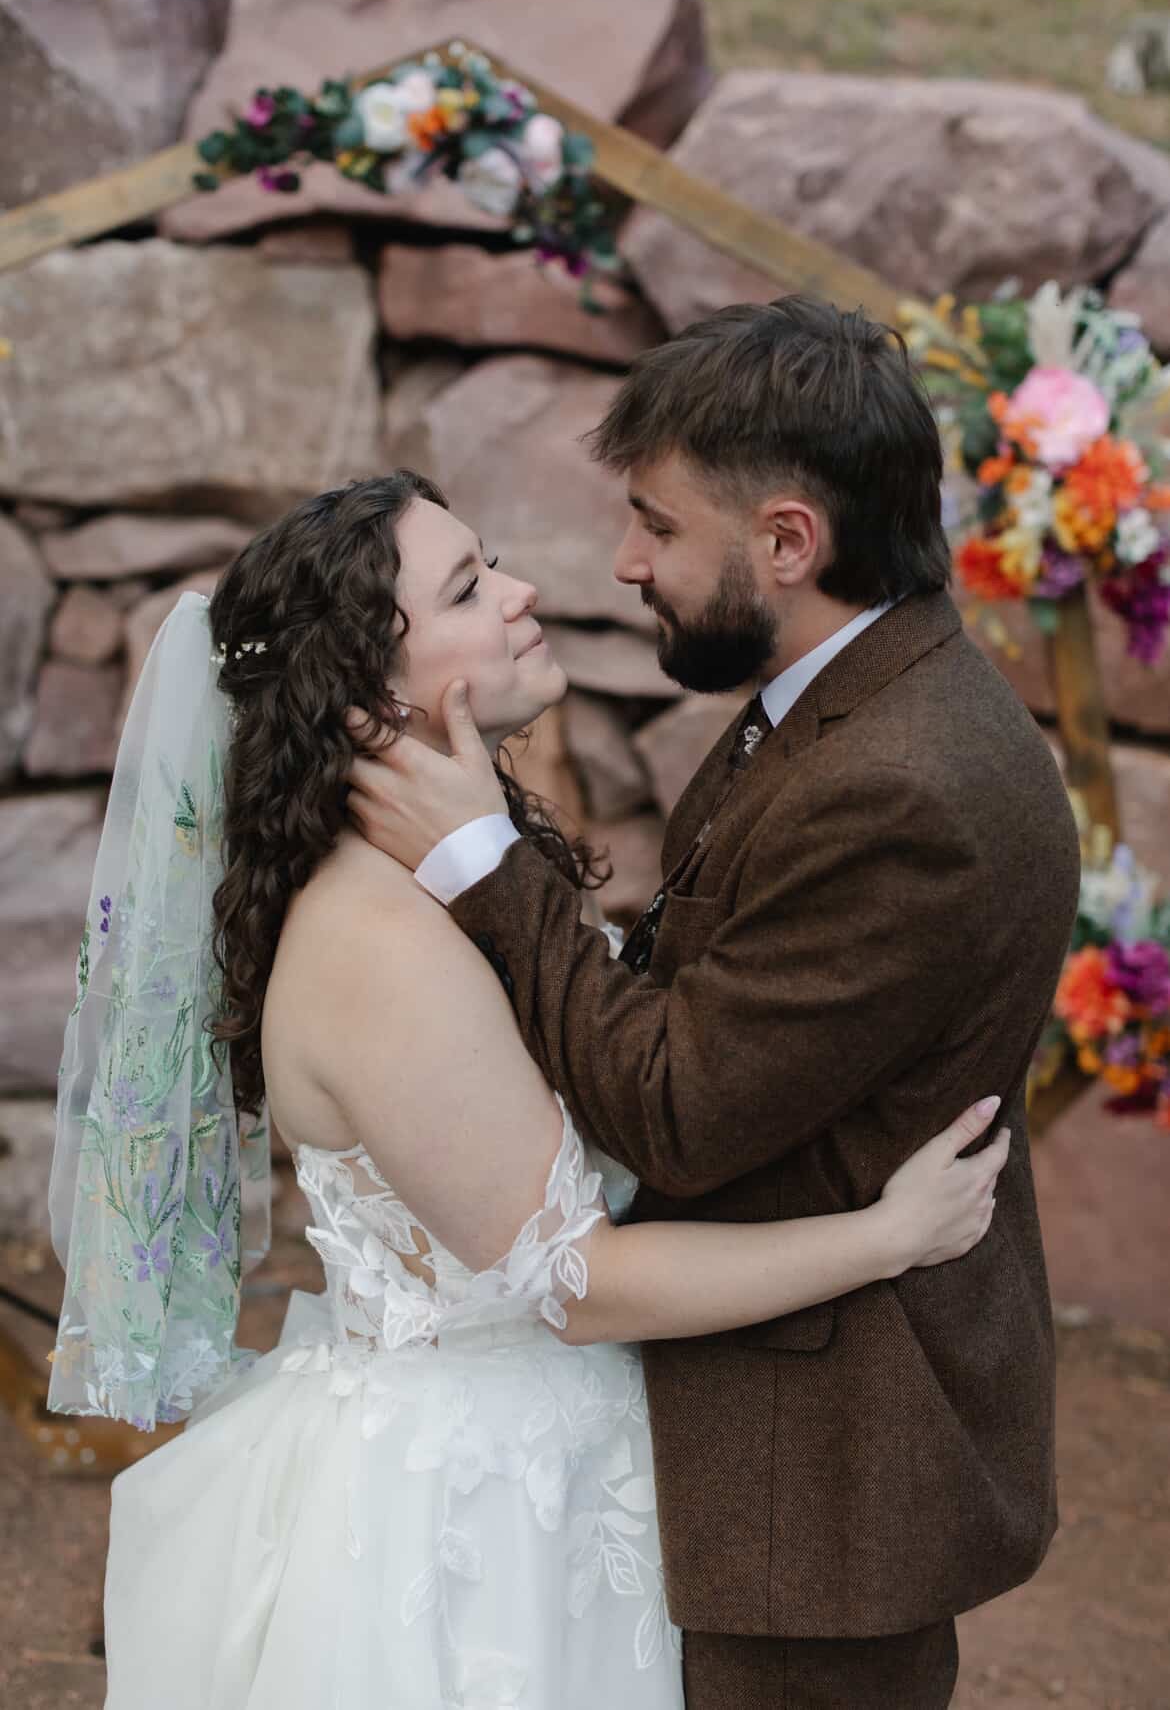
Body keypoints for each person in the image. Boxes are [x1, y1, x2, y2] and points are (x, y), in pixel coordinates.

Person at [46, 472, 1005, 1710]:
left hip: (549, 1462)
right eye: (467, 586)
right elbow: (578, 1284)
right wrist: (884, 1237)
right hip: (473, 1523)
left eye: (488, 560)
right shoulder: (379, 945)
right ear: (367, 691)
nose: (523, 591)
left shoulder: (446, 873)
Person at [347, 299, 1085, 1710]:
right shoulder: (839, 702)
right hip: (754, 1409)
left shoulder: (904, 786)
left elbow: (679, 1113)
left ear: (788, 543)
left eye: (656, 527)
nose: (623, 563)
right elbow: (712, 988)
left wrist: (484, 868)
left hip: (824, 1466)